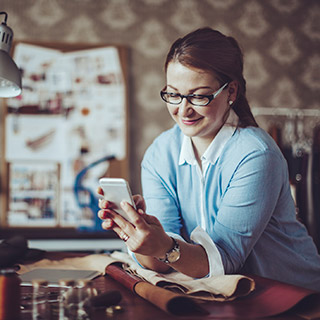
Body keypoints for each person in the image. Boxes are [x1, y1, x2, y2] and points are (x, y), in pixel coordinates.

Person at [98, 27, 320, 291]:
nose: (183, 109)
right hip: (228, 296)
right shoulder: (160, 154)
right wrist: (141, 238)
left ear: (231, 92)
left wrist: (165, 247)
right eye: (173, 94)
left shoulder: (256, 155)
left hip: (291, 295)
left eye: (199, 95)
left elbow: (225, 261)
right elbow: (164, 262)